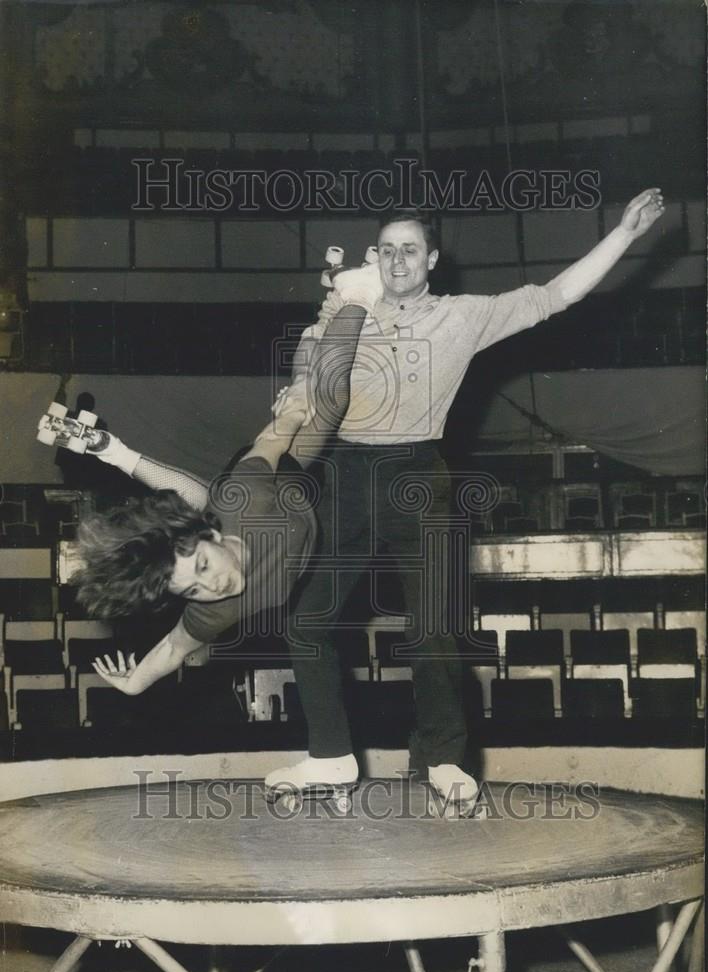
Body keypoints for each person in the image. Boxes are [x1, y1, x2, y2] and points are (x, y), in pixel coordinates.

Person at [263, 188, 665, 815]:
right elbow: (306, 382)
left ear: (431, 261)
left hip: (418, 474)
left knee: (437, 630)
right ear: (376, 257)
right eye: (389, 250)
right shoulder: (346, 309)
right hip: (344, 474)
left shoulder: (462, 316)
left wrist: (625, 234)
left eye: (411, 251)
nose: (399, 261)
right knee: (306, 621)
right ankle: (331, 754)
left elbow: (555, 297)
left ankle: (443, 757)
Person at [73, 264, 382, 749]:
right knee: (208, 494)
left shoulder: (245, 497)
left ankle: (356, 294)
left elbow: (268, 445)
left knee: (327, 397)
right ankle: (323, 320)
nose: (210, 584)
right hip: (296, 527)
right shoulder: (210, 612)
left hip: (278, 477)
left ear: (211, 540)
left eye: (201, 566)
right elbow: (175, 647)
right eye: (193, 588)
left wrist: (295, 409)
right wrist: (134, 682)